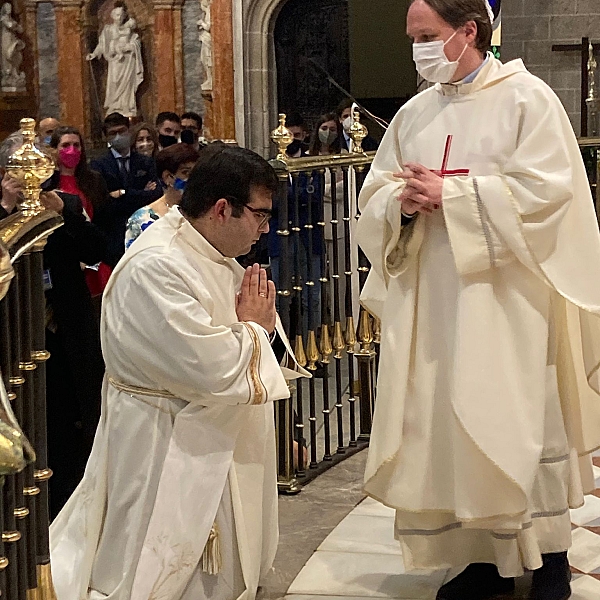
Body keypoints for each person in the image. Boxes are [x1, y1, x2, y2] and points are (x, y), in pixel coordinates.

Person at [356, 2, 600, 600]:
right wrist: (403, 205)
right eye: (413, 38)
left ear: (468, 31)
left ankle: (549, 562)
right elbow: (376, 197)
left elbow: (550, 195)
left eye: (427, 36)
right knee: (453, 425)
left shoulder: (527, 99)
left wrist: (456, 194)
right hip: (436, 301)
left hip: (509, 301)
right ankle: (482, 559)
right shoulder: (415, 113)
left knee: (520, 420)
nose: (417, 48)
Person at [49, 144, 309, 600]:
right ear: (222, 209)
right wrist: (253, 330)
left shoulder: (207, 251)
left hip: (205, 428)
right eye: (261, 215)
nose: (266, 228)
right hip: (163, 438)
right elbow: (211, 369)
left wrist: (254, 329)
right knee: (159, 569)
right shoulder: (158, 268)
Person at [0, 132, 107, 518]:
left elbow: (98, 250)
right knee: (30, 418)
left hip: (68, 332)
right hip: (18, 334)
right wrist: (6, 206)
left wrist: (67, 213)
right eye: (20, 171)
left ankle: (74, 503)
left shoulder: (65, 204)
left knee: (73, 422)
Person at [47, 126, 113, 298]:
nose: (72, 150)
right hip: (64, 259)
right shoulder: (48, 184)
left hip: (94, 254)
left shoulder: (94, 180)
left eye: (76, 145)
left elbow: (104, 219)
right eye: (66, 145)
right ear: (54, 150)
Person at [91, 112, 162, 267]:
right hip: (113, 234)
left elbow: (155, 194)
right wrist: (141, 194)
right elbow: (105, 203)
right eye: (112, 133)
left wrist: (123, 193)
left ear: (129, 131)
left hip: (143, 232)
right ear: (106, 137)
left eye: (122, 131)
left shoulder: (145, 162)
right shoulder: (98, 165)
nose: (118, 136)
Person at [125, 143, 199, 248]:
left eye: (196, 172)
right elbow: (134, 261)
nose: (193, 179)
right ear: (168, 177)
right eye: (186, 172)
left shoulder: (204, 214)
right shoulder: (141, 220)